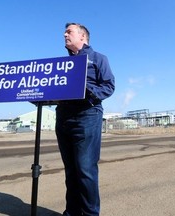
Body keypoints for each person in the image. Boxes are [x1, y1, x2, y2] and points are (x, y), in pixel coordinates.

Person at [55, 23, 115, 216]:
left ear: (83, 36)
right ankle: (71, 212)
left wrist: (89, 93)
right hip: (64, 116)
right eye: (65, 32)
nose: (64, 34)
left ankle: (90, 214)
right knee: (71, 171)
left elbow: (109, 85)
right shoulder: (63, 64)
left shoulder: (98, 59)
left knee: (85, 170)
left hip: (87, 115)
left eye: (69, 31)